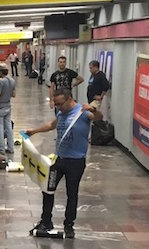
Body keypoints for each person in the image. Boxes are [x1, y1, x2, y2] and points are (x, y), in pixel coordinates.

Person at [25, 89, 101, 238]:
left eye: (60, 104)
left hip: (76, 162)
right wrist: (34, 131)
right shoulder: (61, 113)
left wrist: (93, 109)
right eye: (56, 104)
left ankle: (69, 225)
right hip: (59, 159)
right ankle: (46, 221)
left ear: (69, 99)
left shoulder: (83, 112)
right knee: (48, 188)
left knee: (71, 194)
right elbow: (51, 125)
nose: (58, 107)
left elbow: (98, 117)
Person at [0, 64, 16, 157]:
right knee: (9, 128)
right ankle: (10, 148)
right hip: (8, 106)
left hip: (0, 107)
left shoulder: (1, 82)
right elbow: (14, 95)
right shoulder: (12, 81)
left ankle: (1, 149)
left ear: (1, 72)